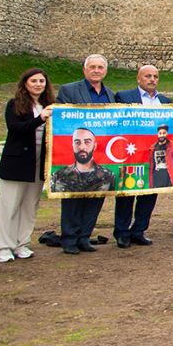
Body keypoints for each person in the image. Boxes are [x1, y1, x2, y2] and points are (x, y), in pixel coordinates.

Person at [55, 54, 118, 253]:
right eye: (92, 67)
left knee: (95, 196)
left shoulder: (110, 94)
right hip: (77, 153)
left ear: (105, 71)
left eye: (100, 67)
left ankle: (84, 236)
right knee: (73, 197)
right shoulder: (69, 90)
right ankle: (69, 239)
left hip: (99, 155)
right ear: (84, 70)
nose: (96, 70)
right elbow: (62, 120)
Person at [0, 69, 54, 263]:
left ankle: (22, 243)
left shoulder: (49, 105)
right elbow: (15, 128)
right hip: (18, 161)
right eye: (33, 81)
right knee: (10, 205)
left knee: (29, 205)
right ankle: (3, 246)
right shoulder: (15, 104)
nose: (38, 84)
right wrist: (39, 119)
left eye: (41, 81)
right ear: (25, 84)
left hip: (39, 161)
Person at [112, 65, 173, 248]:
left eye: (155, 76)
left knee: (149, 193)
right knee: (127, 192)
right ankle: (121, 232)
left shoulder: (165, 101)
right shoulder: (124, 97)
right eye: (148, 76)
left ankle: (139, 229)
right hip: (131, 153)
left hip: (155, 155)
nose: (152, 79)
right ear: (139, 78)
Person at [50, 127, 117, 253]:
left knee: (93, 208)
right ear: (72, 144)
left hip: (97, 184)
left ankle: (84, 238)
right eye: (77, 142)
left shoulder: (106, 176)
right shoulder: (61, 175)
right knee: (71, 207)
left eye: (87, 142)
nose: (82, 147)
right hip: (71, 188)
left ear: (94, 145)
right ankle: (69, 240)